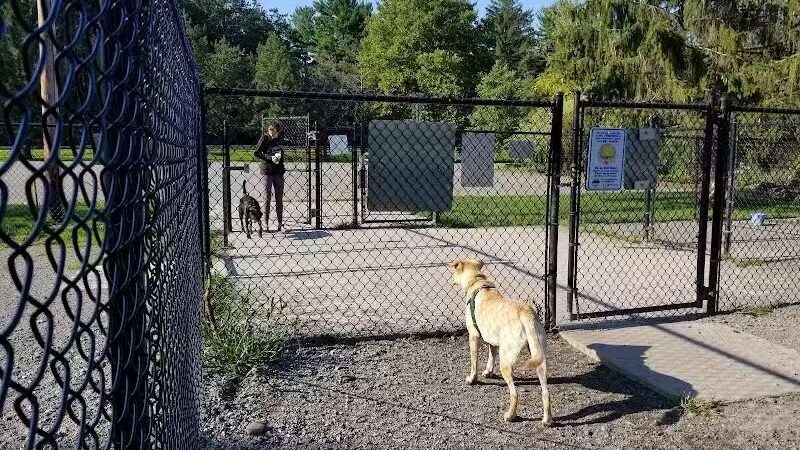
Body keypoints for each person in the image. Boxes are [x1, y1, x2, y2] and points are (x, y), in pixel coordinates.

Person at [254, 122, 286, 232]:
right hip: (267, 170)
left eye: (273, 129)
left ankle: (280, 223)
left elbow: (282, 150)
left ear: (277, 130)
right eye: (269, 129)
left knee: (279, 198)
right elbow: (256, 152)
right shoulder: (264, 138)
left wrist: (279, 156)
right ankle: (266, 223)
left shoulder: (281, 139)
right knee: (267, 197)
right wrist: (269, 157)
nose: (270, 131)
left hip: (278, 171)